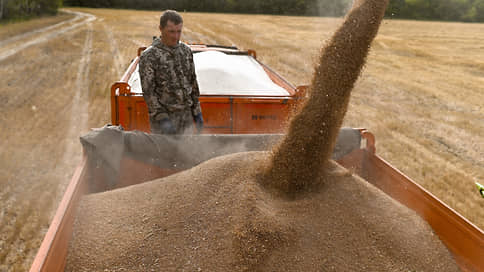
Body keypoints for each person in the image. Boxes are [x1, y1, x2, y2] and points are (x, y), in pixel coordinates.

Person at [139, 10, 203, 134]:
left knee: (188, 152)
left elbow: (193, 83)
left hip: (186, 119)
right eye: (171, 32)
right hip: (164, 123)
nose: (176, 36)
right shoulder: (150, 56)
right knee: (165, 153)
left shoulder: (186, 51)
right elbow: (149, 92)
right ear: (160, 29)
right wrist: (162, 119)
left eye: (179, 31)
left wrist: (197, 111)